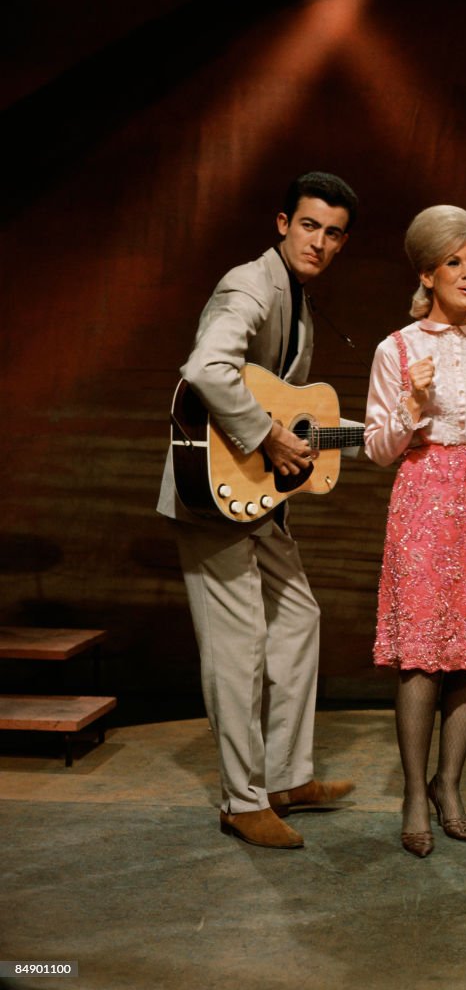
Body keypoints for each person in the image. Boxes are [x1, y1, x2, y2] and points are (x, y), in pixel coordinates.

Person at [157, 171, 360, 849]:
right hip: (213, 496)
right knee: (237, 647)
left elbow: (282, 400)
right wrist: (266, 435)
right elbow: (208, 368)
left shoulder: (296, 299)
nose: (319, 242)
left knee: (299, 616)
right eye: (309, 226)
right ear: (282, 223)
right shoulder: (251, 283)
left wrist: (378, 433)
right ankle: (242, 801)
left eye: (333, 233)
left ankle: (284, 776)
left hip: (257, 501)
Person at [364, 205, 466, 858]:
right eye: (455, 262)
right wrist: (411, 404)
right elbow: (377, 449)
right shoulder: (396, 348)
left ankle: (449, 784)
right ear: (428, 272)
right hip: (423, 500)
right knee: (422, 652)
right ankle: (412, 793)